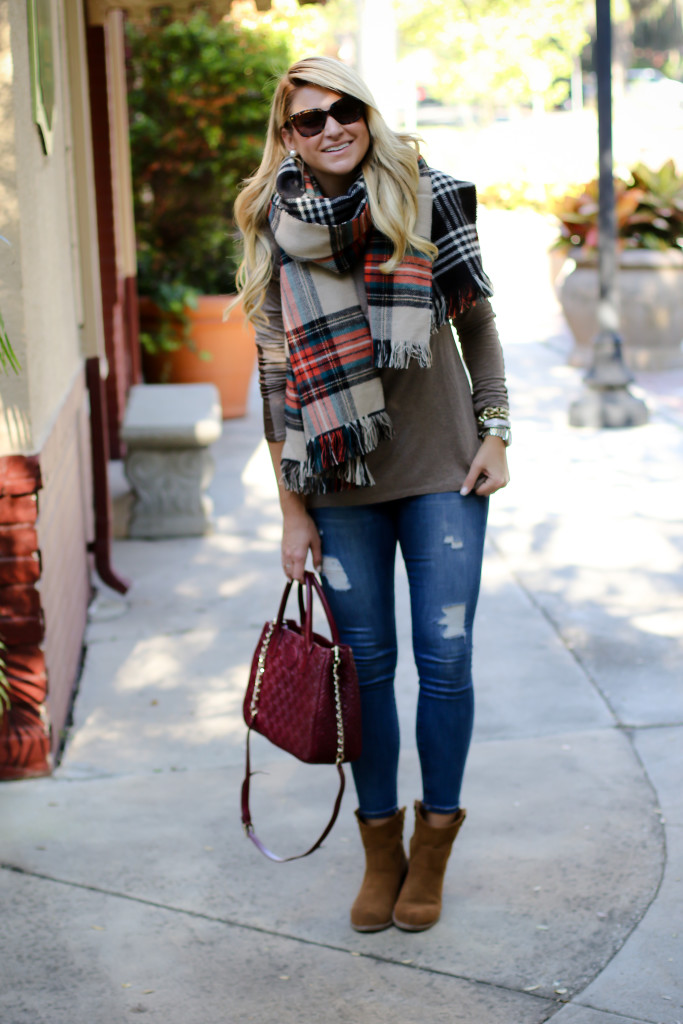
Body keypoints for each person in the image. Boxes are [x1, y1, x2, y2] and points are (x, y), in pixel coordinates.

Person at [234, 56, 510, 933]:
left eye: (343, 110)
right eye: (308, 120)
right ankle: (379, 845)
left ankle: (433, 843)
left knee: (446, 658)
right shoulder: (272, 224)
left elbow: (477, 323)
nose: (331, 129)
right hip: (337, 483)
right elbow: (276, 378)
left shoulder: (426, 198)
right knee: (365, 672)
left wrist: (497, 431)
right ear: (288, 136)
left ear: (367, 112)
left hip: (443, 472)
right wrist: (289, 507)